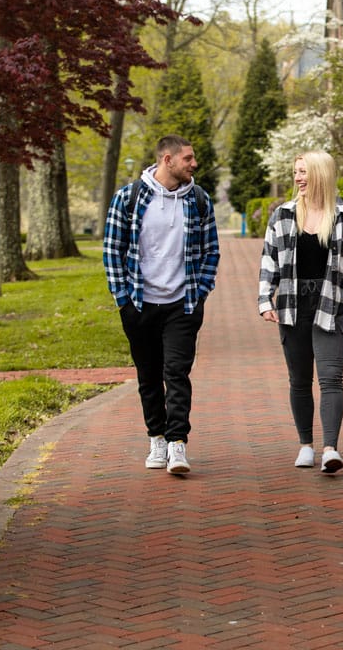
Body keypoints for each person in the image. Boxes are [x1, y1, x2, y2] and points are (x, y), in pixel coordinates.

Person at [103, 135, 220, 475]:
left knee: (177, 373)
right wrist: (123, 300)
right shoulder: (128, 198)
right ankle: (156, 437)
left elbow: (211, 250)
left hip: (182, 305)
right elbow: (112, 251)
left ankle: (177, 443)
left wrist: (199, 293)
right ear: (167, 160)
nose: (193, 163)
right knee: (149, 375)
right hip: (139, 304)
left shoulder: (198, 200)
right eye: (188, 158)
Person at [258, 150, 343, 474]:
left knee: (331, 378)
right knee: (299, 380)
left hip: (333, 304)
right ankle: (306, 446)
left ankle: (330, 449)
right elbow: (269, 262)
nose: (298, 178)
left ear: (320, 174)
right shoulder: (282, 215)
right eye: (296, 172)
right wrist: (265, 301)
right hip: (293, 306)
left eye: (304, 172)